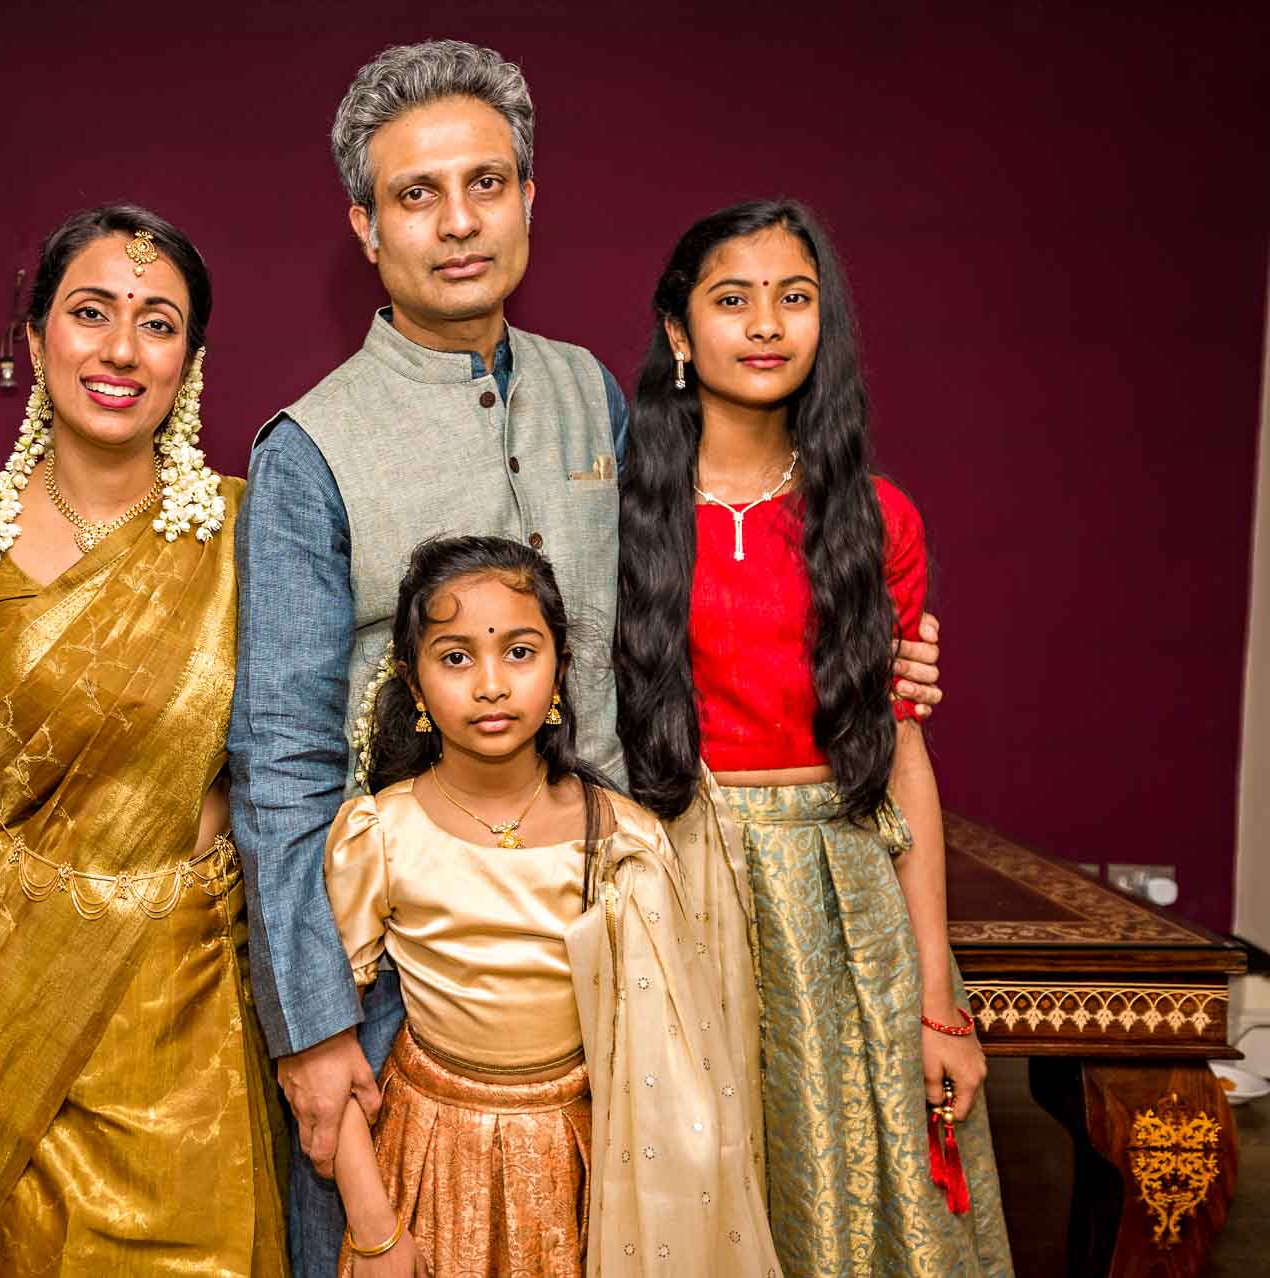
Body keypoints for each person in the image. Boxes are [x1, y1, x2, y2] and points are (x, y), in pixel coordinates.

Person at [227, 39, 945, 1273]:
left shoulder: (594, 401)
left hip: (622, 960)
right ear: (363, 225)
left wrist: (875, 646)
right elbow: (282, 767)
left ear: (529, 199)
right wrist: (313, 1030)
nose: (460, 223)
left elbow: (686, 607)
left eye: (488, 183)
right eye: (417, 194)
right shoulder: (311, 448)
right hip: (411, 982)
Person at [614, 199, 1013, 1277]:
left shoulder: (877, 517)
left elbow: (904, 762)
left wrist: (939, 999)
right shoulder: (618, 513)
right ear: (678, 334)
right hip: (680, 887)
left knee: (856, 1197)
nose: (766, 324)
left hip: (844, 895)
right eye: (731, 300)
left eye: (796, 299)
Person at [0, 205, 286, 1276]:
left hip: (190, 1010)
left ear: (192, 360)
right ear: (33, 342)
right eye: (90, 313)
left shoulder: (250, 531)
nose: (122, 349)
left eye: (157, 322)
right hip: (10, 1000)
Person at [324, 536, 779, 1277]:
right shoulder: (381, 833)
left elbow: (679, 1059)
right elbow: (324, 1047)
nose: (492, 686)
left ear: (561, 668)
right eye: (456, 657)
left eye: (520, 652)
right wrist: (374, 1225)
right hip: (428, 1156)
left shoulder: (622, 838)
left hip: (585, 1162)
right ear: (412, 682)